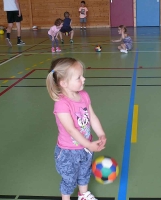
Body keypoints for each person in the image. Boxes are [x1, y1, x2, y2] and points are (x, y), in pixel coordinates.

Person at [46, 57, 107, 200]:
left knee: (85, 172)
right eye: (79, 77)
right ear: (64, 83)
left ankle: (83, 194)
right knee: (69, 179)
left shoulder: (84, 96)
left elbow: (92, 116)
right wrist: (88, 145)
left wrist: (101, 133)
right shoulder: (61, 104)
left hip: (85, 148)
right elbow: (71, 130)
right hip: (68, 152)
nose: (83, 79)